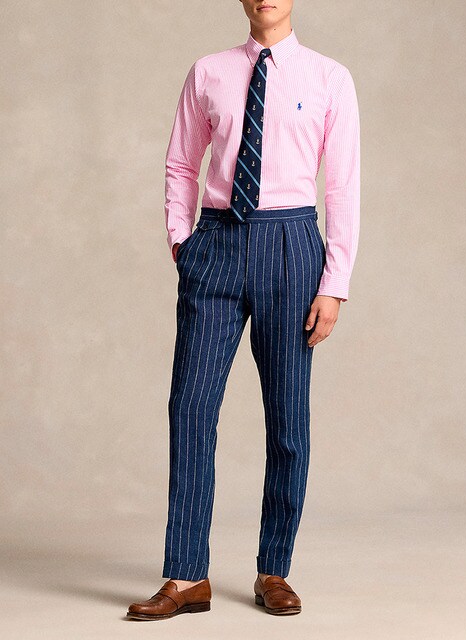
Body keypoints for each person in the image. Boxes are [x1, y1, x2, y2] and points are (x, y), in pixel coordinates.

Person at [127, 0, 360, 620]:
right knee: (190, 408)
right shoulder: (209, 71)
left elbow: (342, 185)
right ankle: (185, 576)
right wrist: (183, 243)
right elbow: (182, 161)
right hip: (217, 242)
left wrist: (334, 282)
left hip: (292, 247)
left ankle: (273, 569)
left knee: (287, 419)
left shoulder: (330, 78)